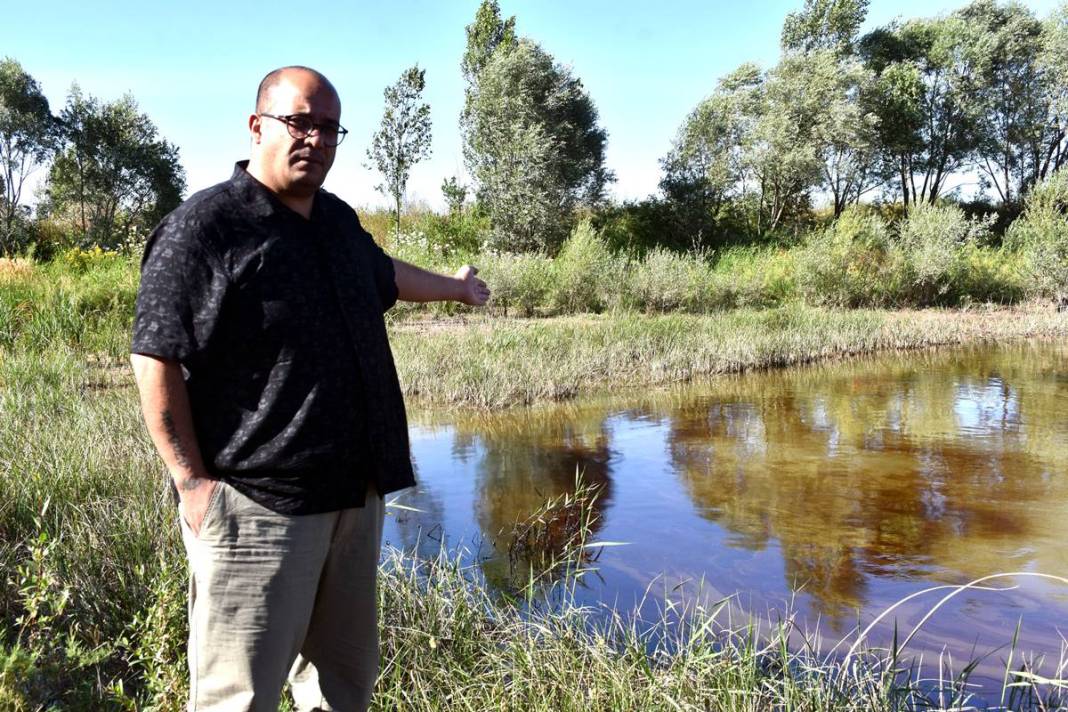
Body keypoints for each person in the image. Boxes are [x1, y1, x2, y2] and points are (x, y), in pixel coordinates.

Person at [130, 65, 490, 712]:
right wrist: (190, 483)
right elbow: (155, 356)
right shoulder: (207, 227)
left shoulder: (336, 221)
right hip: (259, 506)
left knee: (340, 692)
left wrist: (458, 289)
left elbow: (385, 275)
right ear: (257, 125)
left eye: (329, 128)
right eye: (300, 122)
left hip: (355, 498)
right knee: (237, 699)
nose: (315, 139)